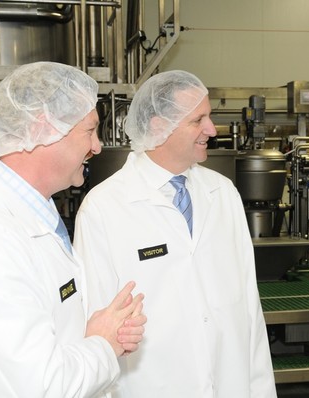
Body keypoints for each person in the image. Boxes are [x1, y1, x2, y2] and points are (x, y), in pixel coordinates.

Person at [0, 62, 147, 397]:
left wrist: (97, 332)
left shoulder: (33, 214)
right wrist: (102, 344)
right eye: (90, 131)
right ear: (44, 128)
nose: (97, 147)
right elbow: (40, 388)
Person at [73, 70, 276, 397]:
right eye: (198, 121)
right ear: (158, 126)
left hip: (230, 385)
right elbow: (97, 332)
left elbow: (249, 310)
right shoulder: (104, 208)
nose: (212, 129)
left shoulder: (223, 194)